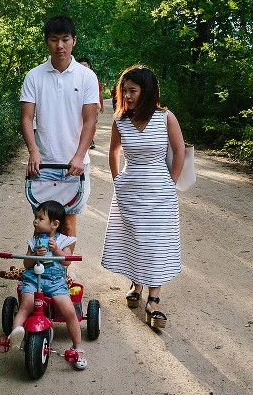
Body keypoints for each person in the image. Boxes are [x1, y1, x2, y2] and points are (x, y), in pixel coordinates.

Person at [100, 65, 186, 329]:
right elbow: (113, 152)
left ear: (147, 91)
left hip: (160, 192)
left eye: (132, 91)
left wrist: (170, 183)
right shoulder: (120, 121)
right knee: (135, 238)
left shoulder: (166, 118)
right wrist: (117, 180)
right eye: (124, 90)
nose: (126, 96)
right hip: (129, 190)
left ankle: (154, 299)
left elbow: (180, 151)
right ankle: (136, 286)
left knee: (156, 243)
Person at [20, 16, 99, 239]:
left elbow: (90, 120)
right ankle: (41, 263)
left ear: (74, 40)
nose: (60, 45)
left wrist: (79, 156)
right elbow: (26, 118)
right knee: (42, 224)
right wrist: (33, 152)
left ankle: (64, 264)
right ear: (47, 42)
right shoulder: (34, 76)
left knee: (68, 224)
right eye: (54, 40)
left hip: (74, 164)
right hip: (43, 163)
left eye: (65, 39)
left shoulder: (87, 77)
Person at [6, 200, 87, 369]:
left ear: (55, 224)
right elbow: (26, 265)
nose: (35, 221)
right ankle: (15, 334)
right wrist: (35, 254)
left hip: (56, 282)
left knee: (69, 311)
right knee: (26, 305)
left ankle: (78, 347)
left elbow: (66, 262)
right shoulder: (33, 241)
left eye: (40, 218)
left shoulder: (64, 240)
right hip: (34, 280)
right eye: (35, 217)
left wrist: (56, 249)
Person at [77, 57, 104, 149]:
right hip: (78, 107)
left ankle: (90, 139)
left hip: (92, 106)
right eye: (80, 65)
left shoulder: (92, 78)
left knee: (92, 122)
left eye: (85, 65)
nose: (83, 67)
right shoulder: (74, 78)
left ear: (89, 66)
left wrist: (101, 105)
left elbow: (100, 93)